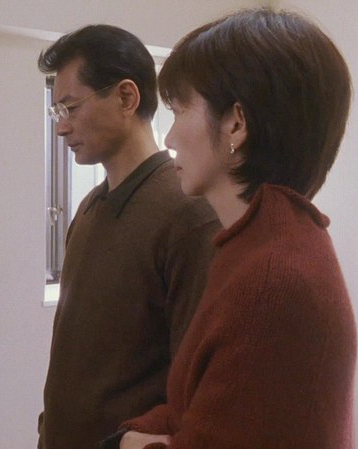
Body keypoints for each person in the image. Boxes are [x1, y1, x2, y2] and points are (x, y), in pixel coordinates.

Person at [115, 7, 356, 449]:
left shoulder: (272, 278)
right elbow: (197, 407)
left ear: (236, 124)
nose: (169, 138)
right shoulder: (266, 246)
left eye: (179, 110)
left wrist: (129, 444)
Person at [36, 25, 221, 449]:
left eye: (71, 108)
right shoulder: (89, 208)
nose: (62, 128)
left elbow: (197, 382)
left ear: (126, 98)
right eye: (57, 112)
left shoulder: (188, 213)